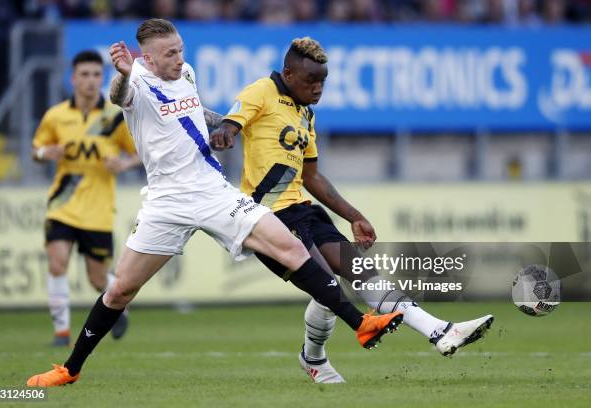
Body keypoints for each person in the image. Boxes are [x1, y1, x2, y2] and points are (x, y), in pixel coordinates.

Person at [26, 18, 403, 387]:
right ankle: (70, 369)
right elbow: (118, 96)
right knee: (120, 290)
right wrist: (124, 72)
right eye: (169, 54)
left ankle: (361, 324)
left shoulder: (186, 72)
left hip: (212, 190)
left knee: (288, 246)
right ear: (149, 59)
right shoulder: (134, 81)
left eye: (180, 50)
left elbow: (193, 112)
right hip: (167, 201)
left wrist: (224, 124)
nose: (178, 58)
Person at [210, 37, 494, 384]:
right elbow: (232, 121)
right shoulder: (262, 91)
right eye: (310, 81)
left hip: (305, 211)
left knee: (364, 275)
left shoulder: (305, 114)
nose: (317, 89)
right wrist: (225, 132)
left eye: (322, 82)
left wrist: (354, 215)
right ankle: (317, 358)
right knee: (328, 288)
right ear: (288, 73)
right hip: (271, 218)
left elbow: (312, 176)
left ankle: (439, 331)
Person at [32, 50, 140, 347]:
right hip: (62, 205)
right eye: (85, 75)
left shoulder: (113, 117)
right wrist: (46, 153)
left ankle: (120, 309)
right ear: (73, 78)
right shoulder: (56, 115)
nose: (91, 81)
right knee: (57, 263)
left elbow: (140, 151)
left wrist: (124, 164)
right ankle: (61, 333)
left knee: (96, 279)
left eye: (96, 75)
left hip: (98, 210)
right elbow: (36, 150)